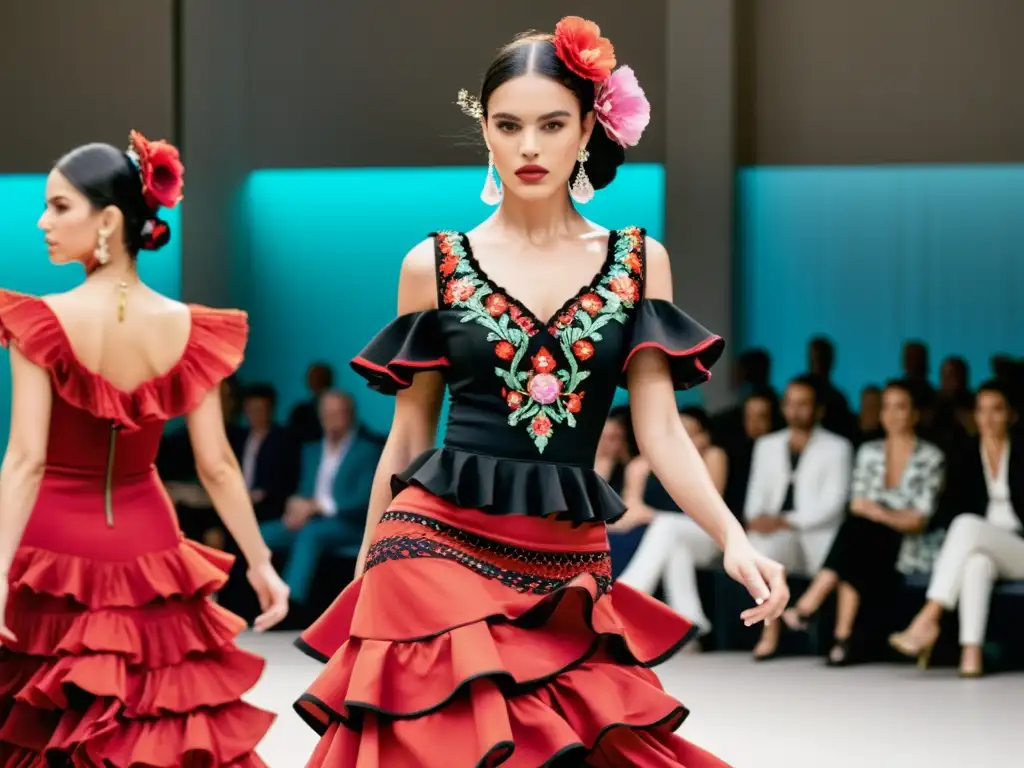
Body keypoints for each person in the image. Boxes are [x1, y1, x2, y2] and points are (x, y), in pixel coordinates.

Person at [291, 17, 788, 767]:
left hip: (565, 561)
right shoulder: (432, 264)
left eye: (552, 124)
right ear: (484, 132)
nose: (529, 147)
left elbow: (660, 431)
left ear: (589, 128)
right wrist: (367, 567)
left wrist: (733, 535)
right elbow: (409, 436)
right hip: (433, 545)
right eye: (509, 125)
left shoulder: (637, 260)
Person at [0, 131, 289, 765]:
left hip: (52, 553)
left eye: (58, 206)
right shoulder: (190, 327)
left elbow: (25, 460)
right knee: (154, 729)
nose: (42, 222)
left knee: (43, 730)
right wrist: (261, 562)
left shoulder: (40, 321)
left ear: (107, 220)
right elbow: (216, 463)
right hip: (149, 549)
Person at [777, 380, 945, 666]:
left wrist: (877, 511)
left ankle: (811, 607)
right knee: (860, 536)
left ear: (915, 414)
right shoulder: (870, 451)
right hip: (870, 541)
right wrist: (890, 514)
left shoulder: (931, 457)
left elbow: (918, 519)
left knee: (858, 533)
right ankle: (841, 639)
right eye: (887, 407)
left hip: (911, 545)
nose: (892, 414)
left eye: (900, 407)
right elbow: (857, 503)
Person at [890, 380, 1023, 677]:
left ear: (1011, 415)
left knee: (966, 526)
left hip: (1020, 549)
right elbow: (948, 509)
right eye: (982, 410)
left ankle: (929, 617)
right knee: (976, 564)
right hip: (985, 547)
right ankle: (971, 654)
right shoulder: (965, 454)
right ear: (974, 415)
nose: (988, 418)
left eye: (997, 410)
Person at [615, 407, 729, 639]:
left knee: (667, 526)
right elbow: (631, 511)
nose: (685, 440)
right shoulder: (644, 463)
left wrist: (655, 515)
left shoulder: (713, 456)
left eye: (692, 433)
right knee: (675, 546)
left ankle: (628, 592)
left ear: (705, 436)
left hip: (708, 534)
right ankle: (690, 622)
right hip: (669, 538)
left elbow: (709, 508)